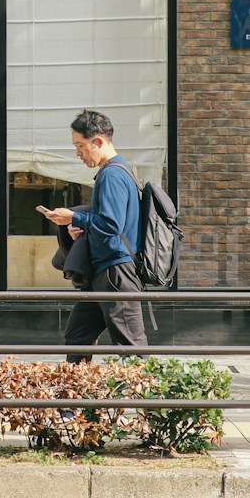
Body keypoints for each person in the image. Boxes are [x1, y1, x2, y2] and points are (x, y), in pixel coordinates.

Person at [41, 109, 144, 358]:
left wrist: (73, 217)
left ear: (97, 141)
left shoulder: (112, 174)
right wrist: (82, 227)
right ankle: (76, 394)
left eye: (80, 145)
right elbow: (106, 224)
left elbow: (111, 225)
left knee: (131, 348)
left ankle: (146, 396)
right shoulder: (116, 171)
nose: (77, 153)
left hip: (115, 272)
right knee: (78, 336)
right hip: (104, 271)